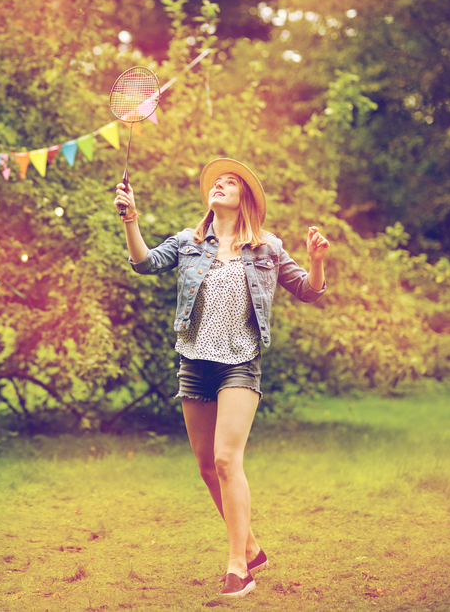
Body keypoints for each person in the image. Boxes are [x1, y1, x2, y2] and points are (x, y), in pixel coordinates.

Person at [113, 158, 330, 598]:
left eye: (230, 182)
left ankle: (238, 567)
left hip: (240, 361)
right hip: (194, 360)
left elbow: (309, 290)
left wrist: (317, 262)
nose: (220, 185)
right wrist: (131, 220)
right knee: (207, 467)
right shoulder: (189, 242)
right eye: (216, 181)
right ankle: (249, 546)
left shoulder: (267, 246)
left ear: (244, 198)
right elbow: (144, 263)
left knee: (228, 460)